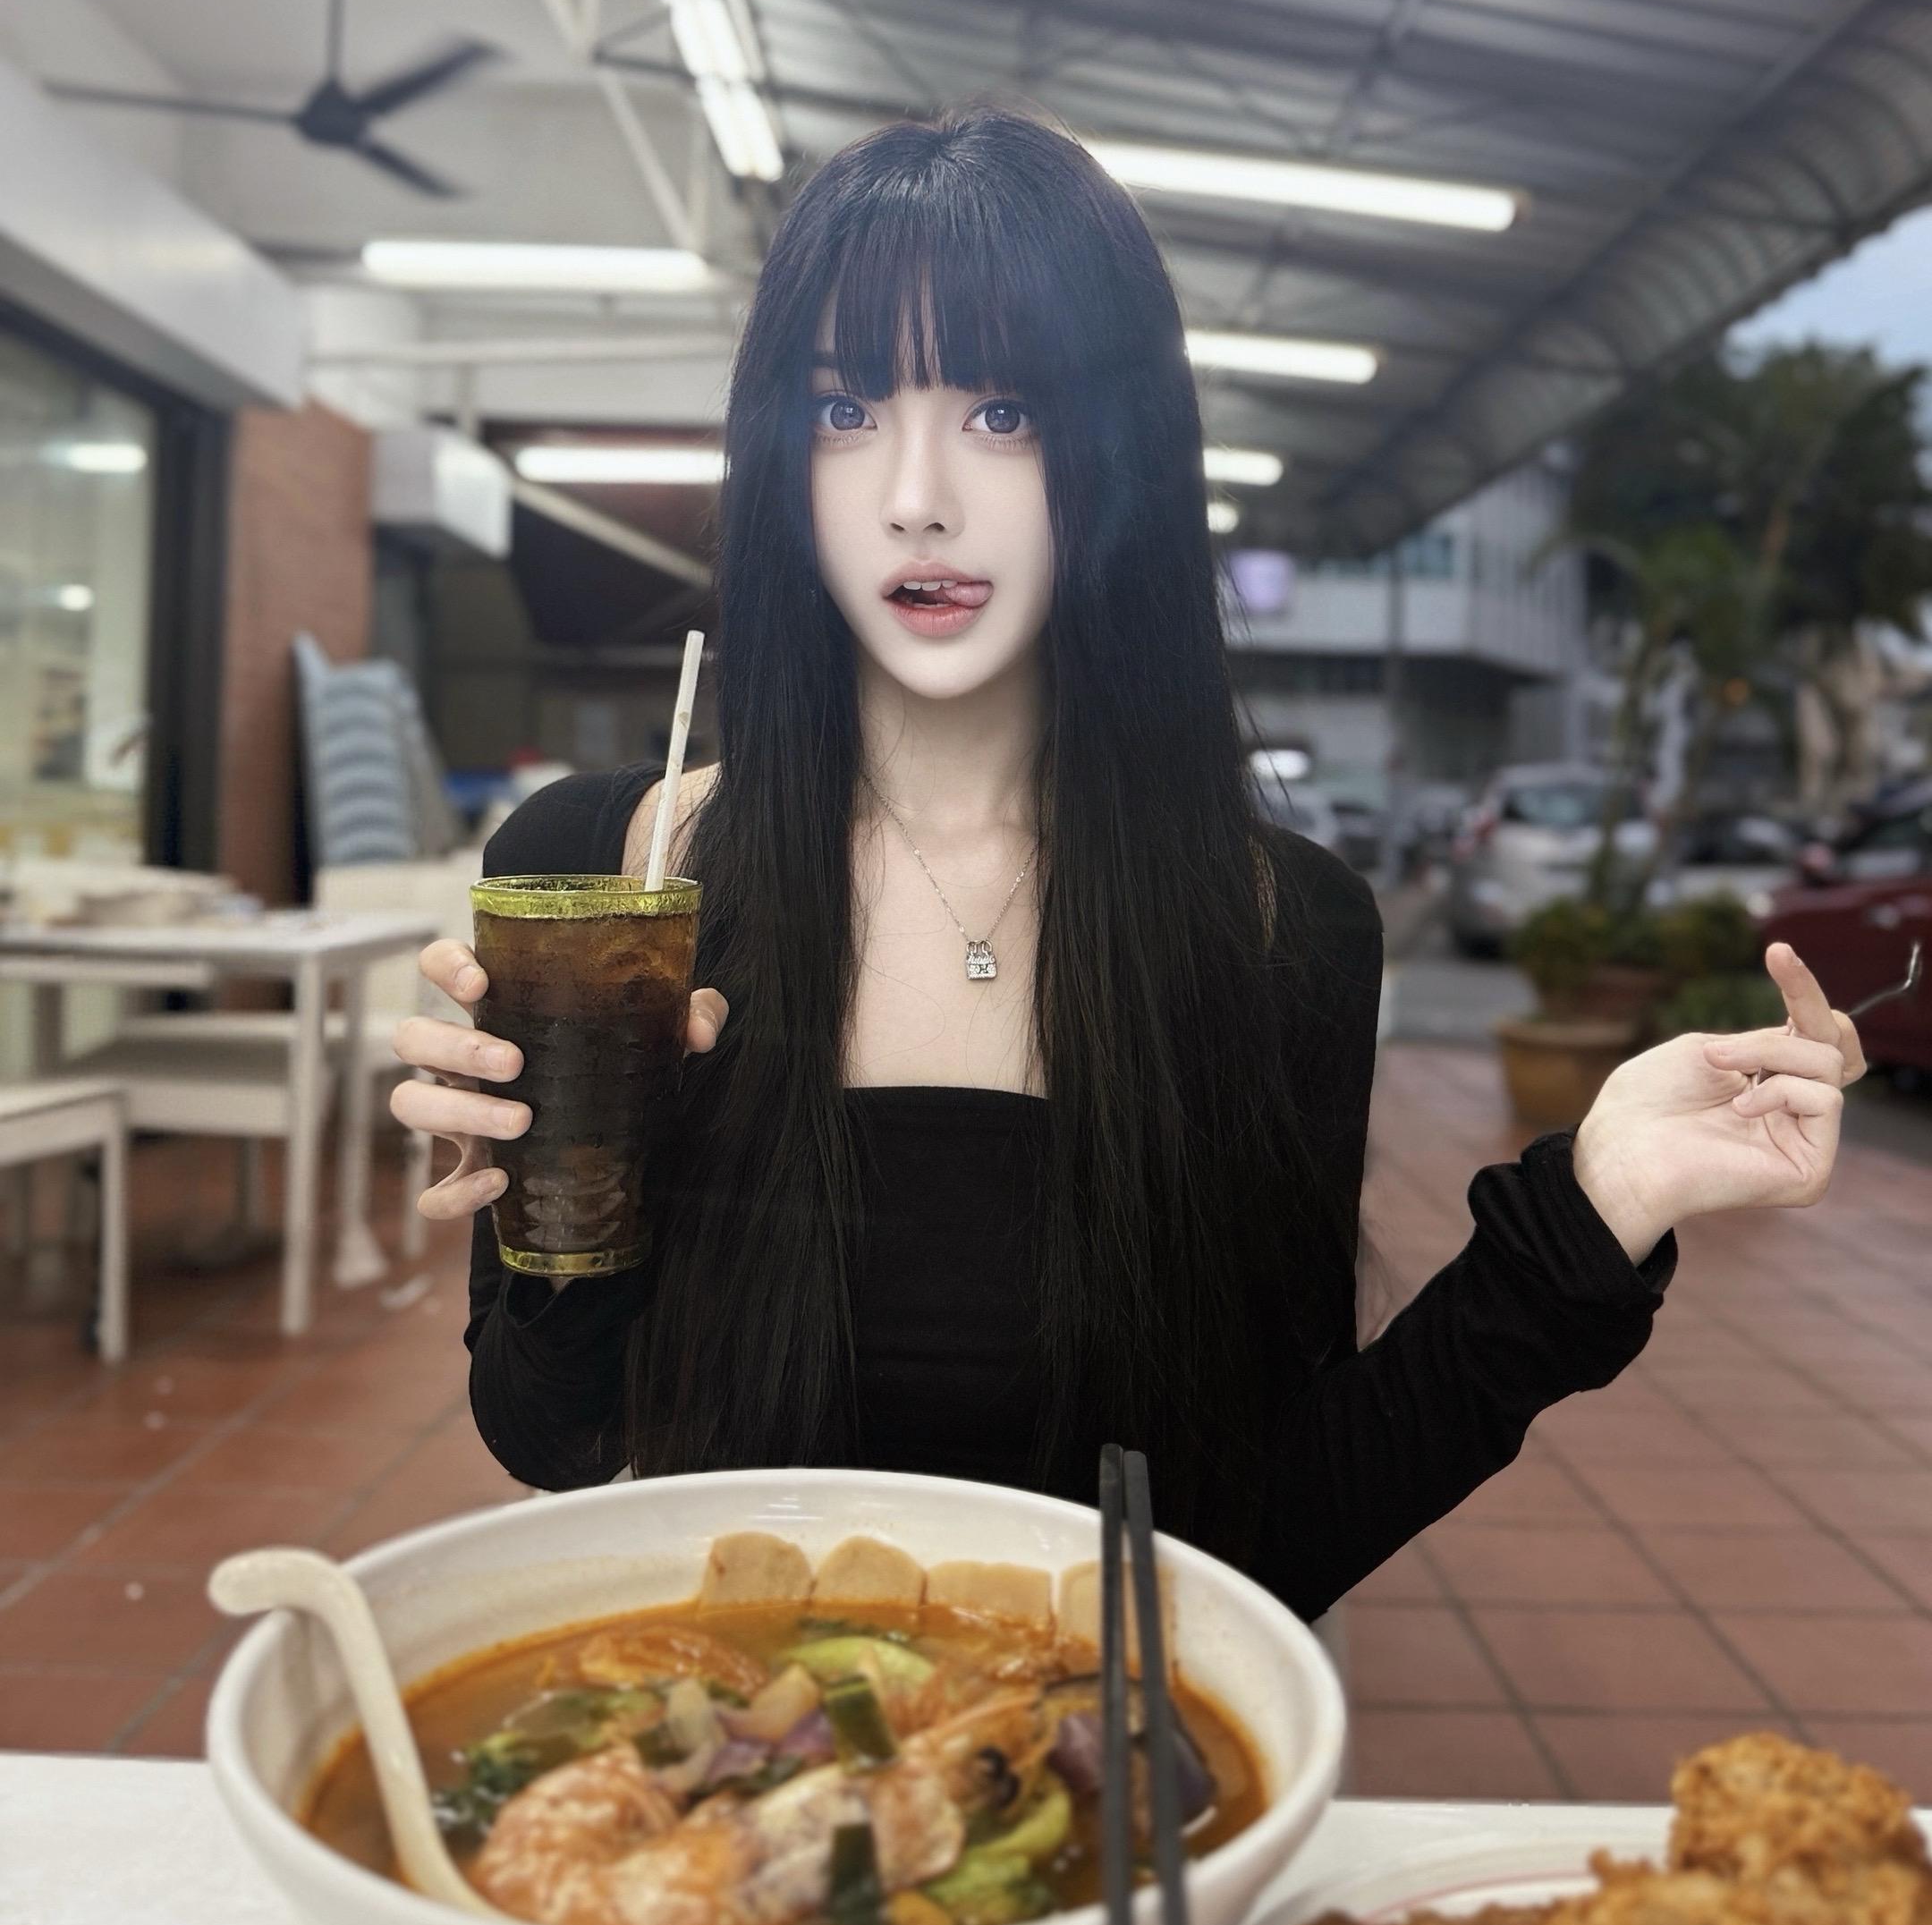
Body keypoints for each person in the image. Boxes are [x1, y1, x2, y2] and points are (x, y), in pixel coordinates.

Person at [390, 108, 1862, 1621]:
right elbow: (552, 1438)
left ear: (1121, 456)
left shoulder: (1282, 927)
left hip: (1092, 1737)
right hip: (723, 1732)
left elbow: (1272, 1526)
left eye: (1001, 411)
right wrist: (561, 1212)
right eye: (844, 410)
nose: (914, 495)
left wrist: (1598, 1205)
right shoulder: (608, 880)